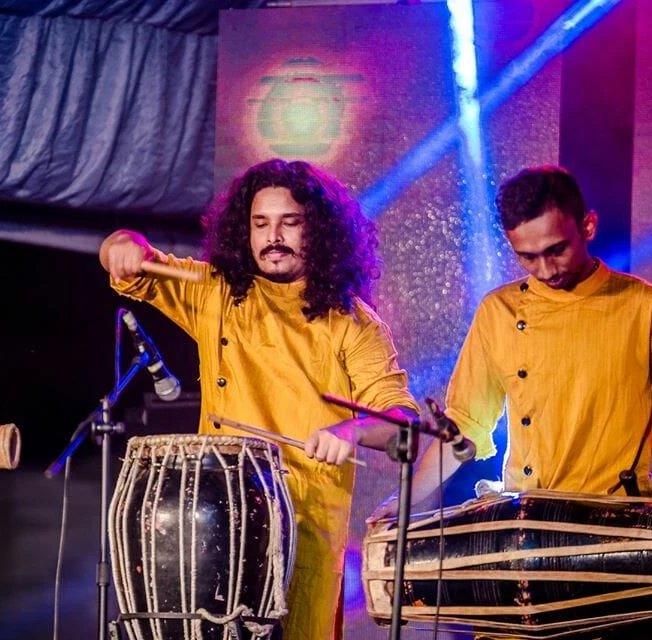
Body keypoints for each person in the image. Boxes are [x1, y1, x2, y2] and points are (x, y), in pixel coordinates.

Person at [371, 165, 652, 639]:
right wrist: (407, 505)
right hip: (520, 547)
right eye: (527, 257)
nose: (545, 270)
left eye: (556, 250)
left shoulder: (646, 308)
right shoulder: (499, 313)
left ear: (586, 226)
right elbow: (465, 428)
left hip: (613, 548)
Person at [99, 158, 419, 639]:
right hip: (220, 525)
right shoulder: (216, 293)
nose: (274, 236)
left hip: (307, 529)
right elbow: (129, 262)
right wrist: (124, 245)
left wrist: (351, 429)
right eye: (261, 224)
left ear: (320, 232)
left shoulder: (355, 322)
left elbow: (401, 421)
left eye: (290, 223)